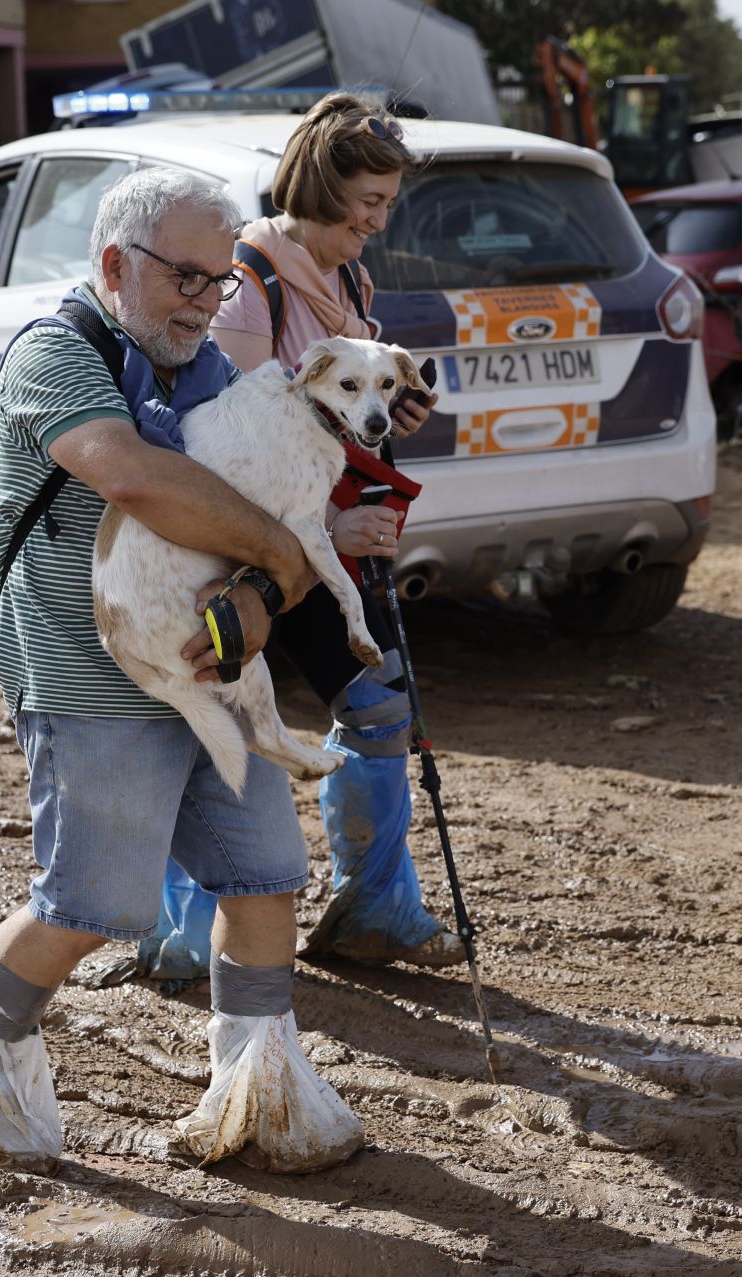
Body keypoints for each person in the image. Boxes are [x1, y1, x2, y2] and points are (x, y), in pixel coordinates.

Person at [0, 167, 364, 1174]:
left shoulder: (207, 378)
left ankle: (260, 1092)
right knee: (90, 904)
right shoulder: (57, 356)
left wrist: (265, 594)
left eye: (221, 281)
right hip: (88, 680)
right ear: (114, 264)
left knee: (267, 875)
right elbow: (133, 475)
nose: (205, 300)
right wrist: (278, 550)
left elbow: (256, 524)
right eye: (185, 276)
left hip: (208, 680)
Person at [135, 93, 464, 982]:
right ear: (320, 186)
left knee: (380, 706)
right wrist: (333, 522)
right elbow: (228, 456)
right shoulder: (255, 282)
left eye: (389, 203)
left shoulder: (351, 282)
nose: (379, 220)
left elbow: (325, 425)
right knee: (210, 721)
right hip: (242, 553)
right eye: (368, 201)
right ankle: (184, 936)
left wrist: (388, 414)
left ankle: (373, 912)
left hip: (323, 549)